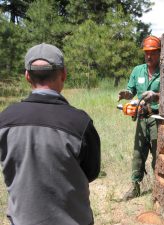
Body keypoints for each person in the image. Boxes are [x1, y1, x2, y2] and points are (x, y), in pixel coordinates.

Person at [0, 43, 101, 225]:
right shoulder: (80, 123)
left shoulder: (5, 119)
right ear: (63, 74)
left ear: (27, 76)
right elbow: (91, 172)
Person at [118, 35, 160, 201]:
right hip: (142, 118)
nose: (149, 56)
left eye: (152, 53)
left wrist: (156, 96)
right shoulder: (138, 70)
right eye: (146, 53)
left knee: (158, 154)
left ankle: (159, 188)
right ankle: (135, 187)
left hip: (158, 118)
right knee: (138, 153)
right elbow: (131, 91)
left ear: (159, 53)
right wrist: (126, 94)